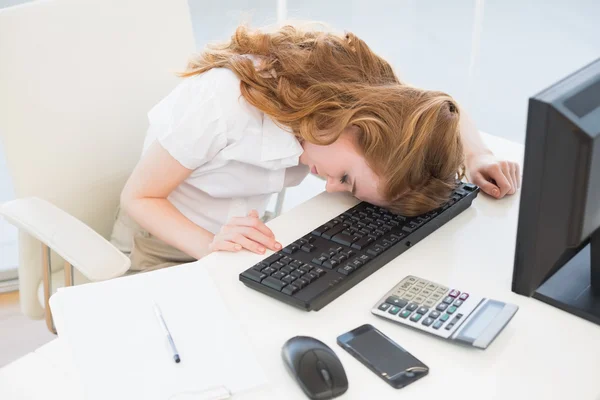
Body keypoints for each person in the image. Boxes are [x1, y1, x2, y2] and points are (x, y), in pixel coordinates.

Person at [111, 24, 520, 271]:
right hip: (165, 242)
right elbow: (140, 196)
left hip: (241, 232)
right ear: (356, 126)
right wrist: (210, 246)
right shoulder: (223, 103)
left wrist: (477, 154)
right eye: (346, 179)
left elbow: (436, 103)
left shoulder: (367, 95)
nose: (330, 188)